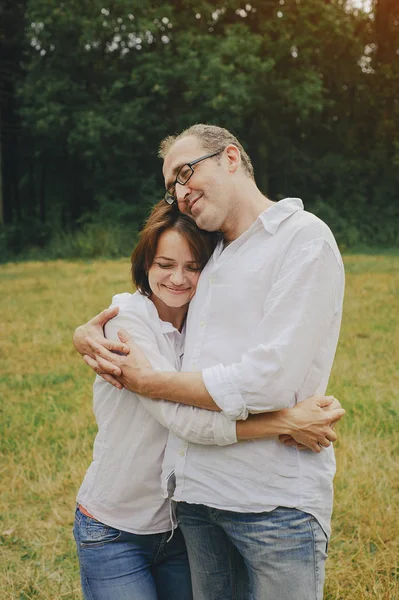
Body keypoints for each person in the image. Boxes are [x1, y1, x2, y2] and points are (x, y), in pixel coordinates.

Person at [74, 124, 345, 600]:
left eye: (186, 172)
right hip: (196, 504)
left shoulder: (302, 239)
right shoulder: (211, 249)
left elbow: (270, 380)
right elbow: (150, 301)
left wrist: (151, 382)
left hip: (271, 505)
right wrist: (85, 333)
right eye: (171, 186)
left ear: (232, 158)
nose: (179, 193)